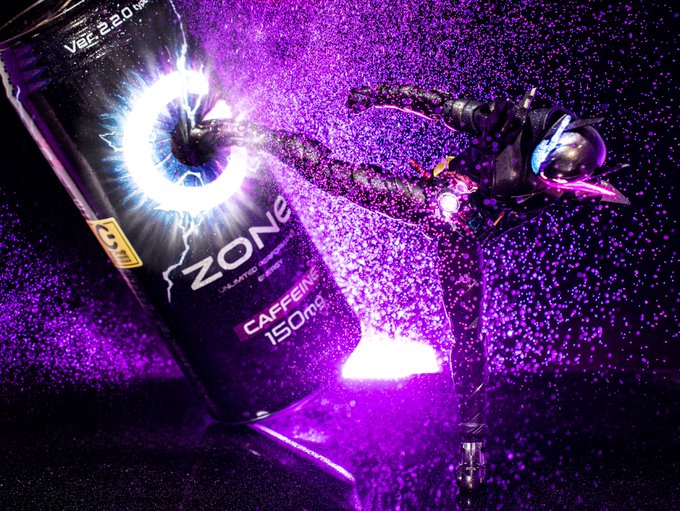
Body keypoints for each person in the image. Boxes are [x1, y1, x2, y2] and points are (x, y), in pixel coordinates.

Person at [173, 84, 628, 490]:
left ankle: (472, 445)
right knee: (327, 172)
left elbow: (577, 187)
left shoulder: (571, 183)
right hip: (431, 199)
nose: (550, 189)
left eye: (556, 186)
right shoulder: (505, 124)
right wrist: (379, 96)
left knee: (468, 336)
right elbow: (438, 106)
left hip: (461, 237)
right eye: (546, 177)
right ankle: (230, 133)